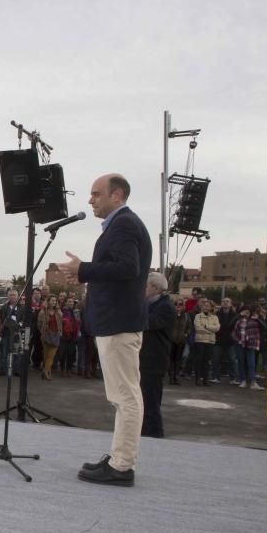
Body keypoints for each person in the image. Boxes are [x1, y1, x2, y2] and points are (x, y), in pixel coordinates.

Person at [59, 173, 153, 487]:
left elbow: (128, 269)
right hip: (117, 322)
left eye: (96, 194)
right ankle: (118, 458)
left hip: (118, 323)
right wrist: (85, 272)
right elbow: (120, 269)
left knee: (125, 397)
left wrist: (84, 270)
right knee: (123, 395)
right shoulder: (123, 224)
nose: (90, 200)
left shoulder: (124, 224)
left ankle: (122, 466)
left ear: (117, 194)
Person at [139, 272, 175, 438]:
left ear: (155, 288)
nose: (143, 289)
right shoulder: (148, 304)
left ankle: (155, 436)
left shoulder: (165, 307)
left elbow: (148, 323)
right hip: (143, 359)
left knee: (151, 401)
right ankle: (143, 432)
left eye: (146, 285)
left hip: (153, 361)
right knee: (141, 401)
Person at [191, 299, 220, 386]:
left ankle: (205, 379)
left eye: (208, 306)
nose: (205, 307)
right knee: (199, 360)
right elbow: (198, 328)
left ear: (211, 307)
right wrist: (211, 330)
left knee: (207, 361)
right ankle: (198, 379)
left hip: (210, 342)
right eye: (204, 305)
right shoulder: (198, 316)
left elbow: (217, 328)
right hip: (200, 341)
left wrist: (206, 327)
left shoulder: (215, 317)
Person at [37, 295, 61, 381]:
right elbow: (39, 324)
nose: (54, 302)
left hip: (56, 335)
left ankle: (45, 370)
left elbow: (60, 323)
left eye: (55, 301)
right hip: (46, 335)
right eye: (52, 300)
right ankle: (48, 372)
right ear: (48, 302)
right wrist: (43, 332)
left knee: (51, 356)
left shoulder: (58, 312)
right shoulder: (43, 312)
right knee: (46, 355)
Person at [168, 297, 191, 385]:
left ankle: (176, 376)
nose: (178, 306)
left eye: (180, 304)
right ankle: (170, 376)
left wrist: (186, 334)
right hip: (171, 340)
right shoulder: (170, 314)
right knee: (170, 359)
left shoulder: (186, 316)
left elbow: (189, 327)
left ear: (183, 306)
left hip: (181, 340)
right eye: (176, 304)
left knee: (178, 359)